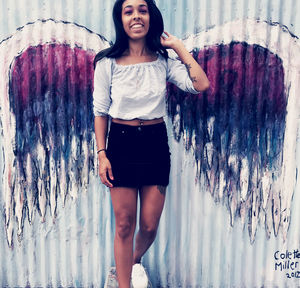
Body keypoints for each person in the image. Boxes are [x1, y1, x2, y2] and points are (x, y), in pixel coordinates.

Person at [93, 0, 209, 287]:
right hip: (120, 143)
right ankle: (123, 283)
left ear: (150, 16)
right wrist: (101, 154)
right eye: (128, 11)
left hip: (155, 144)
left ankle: (132, 261)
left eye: (142, 10)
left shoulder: (162, 62)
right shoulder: (106, 63)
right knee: (123, 224)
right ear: (120, 19)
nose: (136, 16)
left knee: (148, 224)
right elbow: (100, 111)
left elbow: (200, 84)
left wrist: (179, 49)